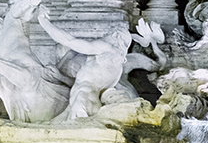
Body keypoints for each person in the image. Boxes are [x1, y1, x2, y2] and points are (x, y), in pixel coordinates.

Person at [37, 11, 166, 120]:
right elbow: (159, 64)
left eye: (109, 33)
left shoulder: (105, 48)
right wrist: (153, 42)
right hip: (93, 101)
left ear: (115, 36)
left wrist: (43, 21)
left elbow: (69, 41)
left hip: (82, 99)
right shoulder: (121, 62)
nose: (105, 36)